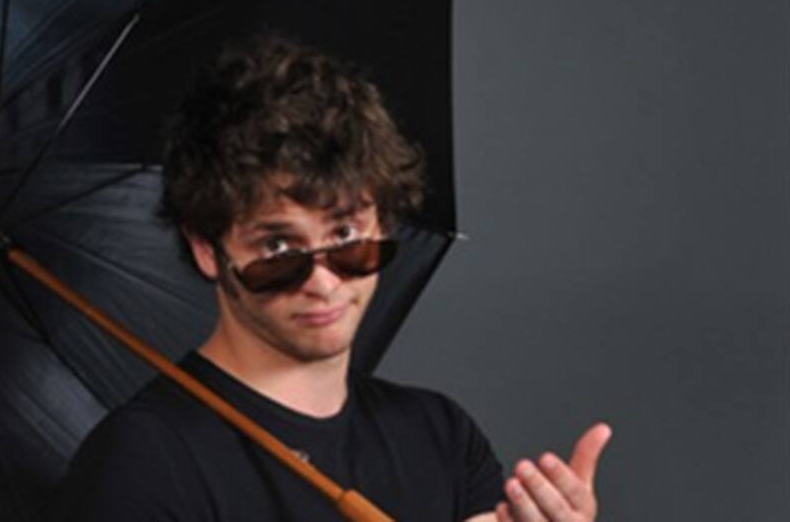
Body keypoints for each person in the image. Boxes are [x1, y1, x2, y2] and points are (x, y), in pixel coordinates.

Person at [50, 34, 611, 521]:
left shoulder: (439, 435)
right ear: (207, 249)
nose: (322, 282)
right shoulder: (141, 464)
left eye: (345, 236)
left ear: (383, 220)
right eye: (278, 247)